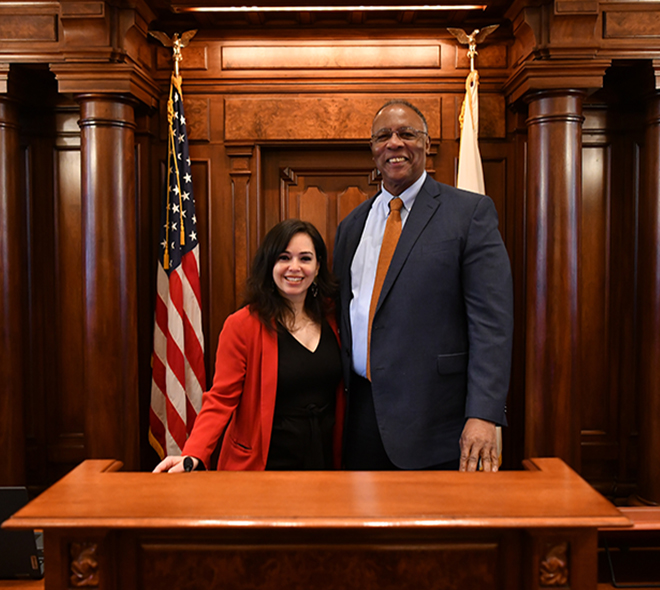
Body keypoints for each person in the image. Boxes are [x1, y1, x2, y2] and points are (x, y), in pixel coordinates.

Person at [333, 99, 513, 472]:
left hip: (438, 424)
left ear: (427, 144)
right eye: (383, 136)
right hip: (361, 418)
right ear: (373, 149)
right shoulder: (352, 226)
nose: (394, 143)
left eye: (406, 134)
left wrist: (483, 414)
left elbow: (491, 325)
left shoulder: (469, 213)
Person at [154, 219, 343, 473]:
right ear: (269, 265)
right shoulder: (242, 325)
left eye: (305, 258)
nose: (294, 267)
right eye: (284, 257)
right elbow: (220, 399)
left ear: (318, 267)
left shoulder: (335, 319)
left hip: (325, 461)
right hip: (264, 466)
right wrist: (193, 453)